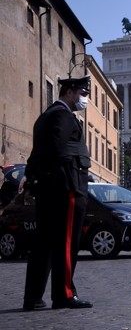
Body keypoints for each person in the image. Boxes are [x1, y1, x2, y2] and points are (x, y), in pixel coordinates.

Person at [22, 76, 93, 311]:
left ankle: (33, 298)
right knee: (65, 243)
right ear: (69, 92)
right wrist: (46, 175)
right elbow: (53, 149)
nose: (84, 99)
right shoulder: (63, 115)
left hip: (50, 189)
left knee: (43, 244)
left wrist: (34, 177)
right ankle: (64, 294)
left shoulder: (45, 116)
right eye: (83, 93)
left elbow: (37, 154)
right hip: (67, 186)